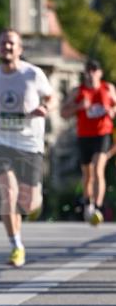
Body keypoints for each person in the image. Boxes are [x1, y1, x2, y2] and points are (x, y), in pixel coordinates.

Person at [0, 28, 53, 267]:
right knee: (8, 193)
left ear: (19, 49)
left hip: (30, 144)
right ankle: (16, 245)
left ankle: (29, 205)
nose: (6, 47)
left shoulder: (33, 74)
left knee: (29, 204)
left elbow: (50, 97)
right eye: (3, 43)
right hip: (1, 142)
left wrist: (44, 108)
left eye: (11, 43)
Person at [60, 59, 116, 225]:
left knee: (98, 169)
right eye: (88, 70)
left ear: (100, 73)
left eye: (94, 70)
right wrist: (78, 107)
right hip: (84, 136)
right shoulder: (78, 91)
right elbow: (63, 113)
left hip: (103, 134)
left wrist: (111, 111)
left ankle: (97, 208)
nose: (91, 74)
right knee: (87, 175)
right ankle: (87, 202)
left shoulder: (108, 88)